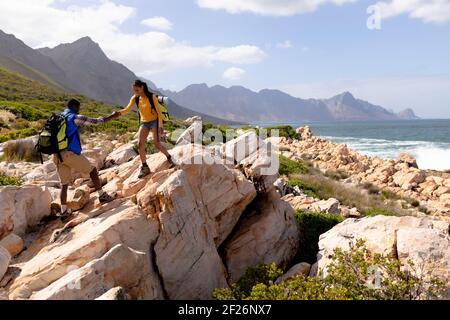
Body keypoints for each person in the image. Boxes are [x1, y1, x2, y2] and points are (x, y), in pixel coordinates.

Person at [54, 99, 118, 219]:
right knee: (92, 170)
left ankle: (63, 212)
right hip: (69, 154)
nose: (79, 109)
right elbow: (96, 122)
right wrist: (112, 116)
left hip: (57, 155)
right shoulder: (74, 117)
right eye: (78, 107)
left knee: (64, 184)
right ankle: (102, 195)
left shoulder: (59, 117)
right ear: (74, 106)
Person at [114, 80, 175, 178]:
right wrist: (118, 113)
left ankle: (169, 157)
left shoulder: (152, 97)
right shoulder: (135, 98)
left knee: (157, 144)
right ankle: (145, 167)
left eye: (137, 90)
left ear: (142, 87)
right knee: (140, 144)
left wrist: (160, 126)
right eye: (134, 90)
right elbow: (127, 109)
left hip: (154, 121)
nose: (135, 92)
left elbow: (159, 113)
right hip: (144, 122)